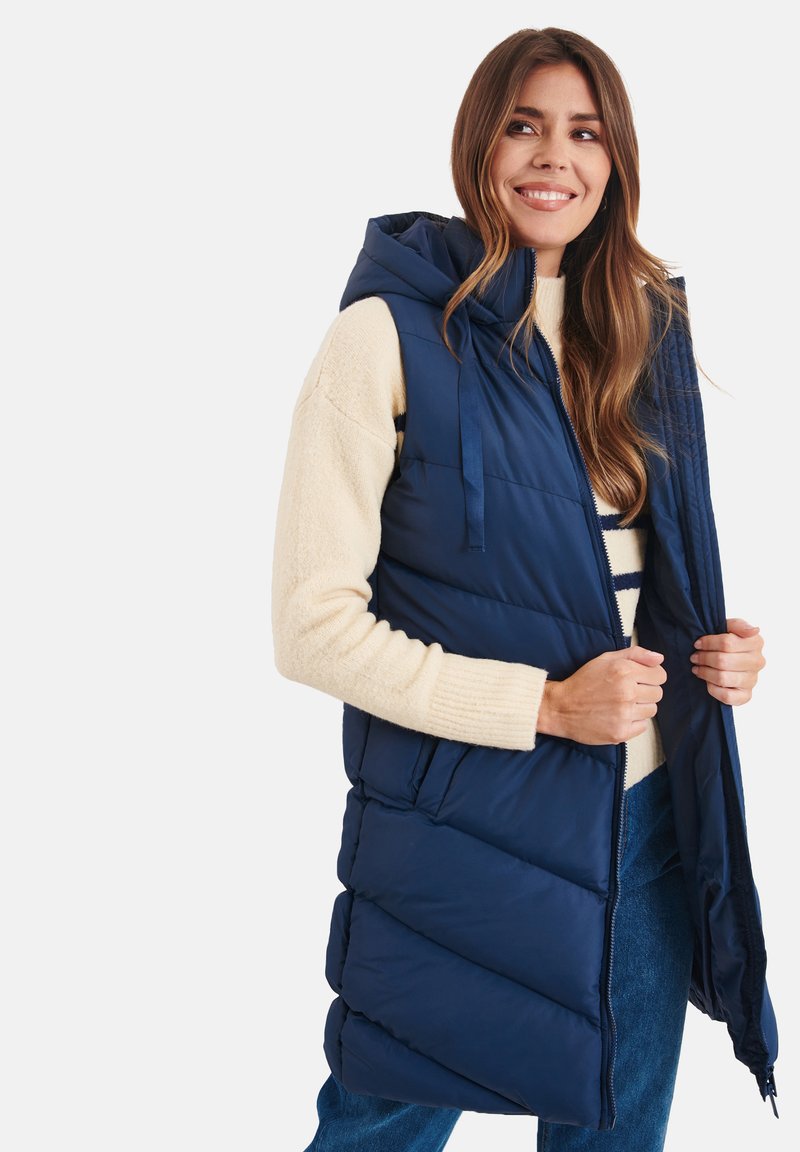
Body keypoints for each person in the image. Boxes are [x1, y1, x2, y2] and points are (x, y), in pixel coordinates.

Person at [272, 26, 778, 1152]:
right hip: (465, 834)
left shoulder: (634, 332)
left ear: (615, 160)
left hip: (645, 819)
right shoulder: (384, 338)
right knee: (379, 1133)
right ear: (479, 146)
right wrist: (543, 706)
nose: (554, 156)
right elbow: (311, 629)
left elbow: (629, 578)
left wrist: (716, 653)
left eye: (585, 132)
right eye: (524, 125)